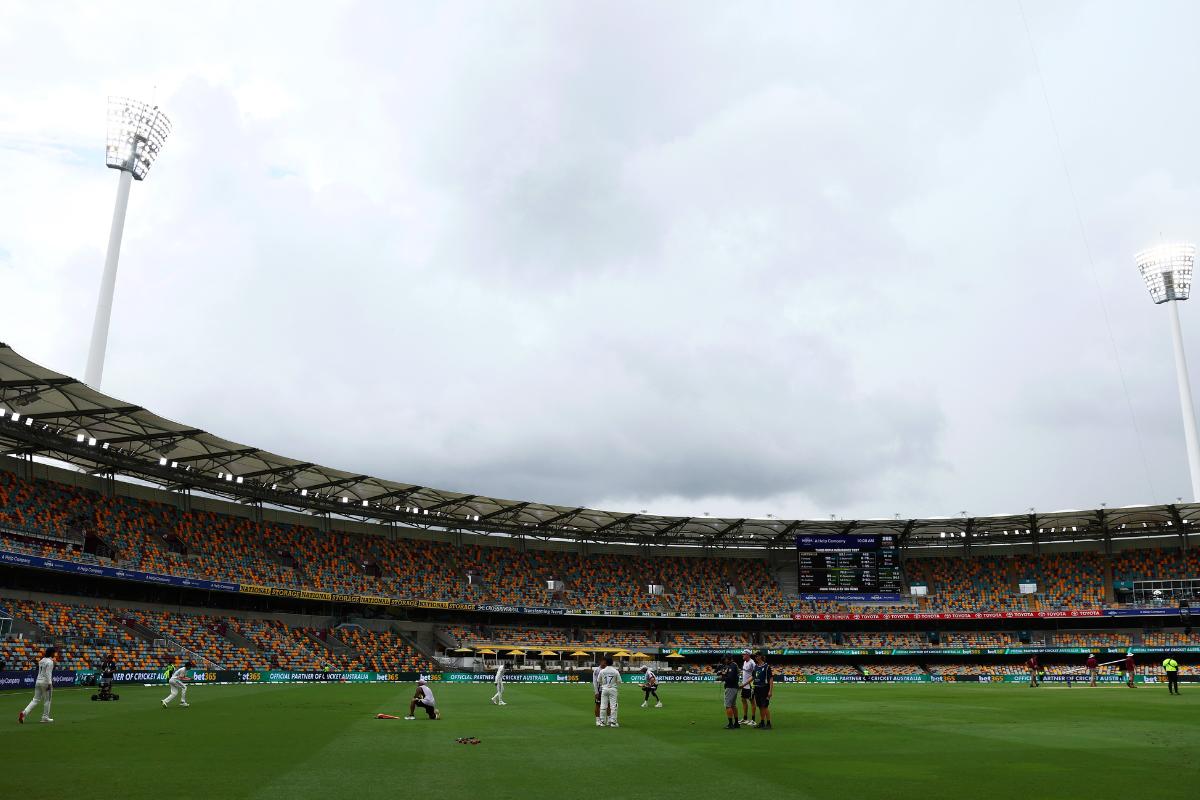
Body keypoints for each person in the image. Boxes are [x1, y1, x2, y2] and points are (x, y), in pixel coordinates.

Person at [18, 646, 57, 724]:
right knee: (47, 700)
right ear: (51, 653)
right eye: (54, 653)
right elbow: (48, 673)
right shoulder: (50, 662)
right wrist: (50, 683)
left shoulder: (41, 660)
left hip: (38, 681)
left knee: (35, 700)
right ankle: (45, 717)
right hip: (45, 682)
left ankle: (24, 713)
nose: (55, 654)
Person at [597, 656, 621, 728]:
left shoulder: (602, 671)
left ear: (606, 663)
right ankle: (613, 722)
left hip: (604, 689)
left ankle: (602, 722)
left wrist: (604, 684)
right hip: (613, 689)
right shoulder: (615, 671)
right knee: (613, 706)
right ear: (612, 663)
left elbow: (598, 681)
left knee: (603, 706)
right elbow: (619, 681)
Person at [752, 653, 774, 730]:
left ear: (760, 657)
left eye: (757, 656)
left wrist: (770, 691)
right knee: (760, 706)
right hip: (757, 688)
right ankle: (762, 722)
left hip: (764, 688)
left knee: (765, 706)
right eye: (755, 656)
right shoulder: (755, 667)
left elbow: (771, 679)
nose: (755, 657)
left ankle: (768, 723)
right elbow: (753, 677)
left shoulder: (767, 667)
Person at [720, 656, 742, 730]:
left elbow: (730, 678)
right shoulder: (734, 665)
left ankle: (730, 724)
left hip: (730, 687)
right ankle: (736, 723)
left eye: (726, 659)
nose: (725, 660)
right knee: (733, 706)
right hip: (734, 687)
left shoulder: (732, 666)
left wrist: (722, 678)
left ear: (729, 659)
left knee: (728, 706)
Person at [739, 649, 757, 726]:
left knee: (752, 701)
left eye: (744, 654)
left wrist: (745, 683)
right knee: (743, 700)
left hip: (750, 685)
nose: (742, 655)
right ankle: (745, 718)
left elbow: (754, 676)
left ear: (748, 655)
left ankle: (753, 720)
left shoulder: (752, 663)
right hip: (744, 685)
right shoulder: (745, 662)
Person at [592, 662, 603, 727]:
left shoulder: (608, 669)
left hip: (606, 690)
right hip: (599, 690)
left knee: (609, 705)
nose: (604, 663)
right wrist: (596, 692)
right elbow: (594, 682)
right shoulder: (597, 670)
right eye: (603, 661)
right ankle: (597, 720)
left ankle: (609, 720)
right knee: (598, 705)